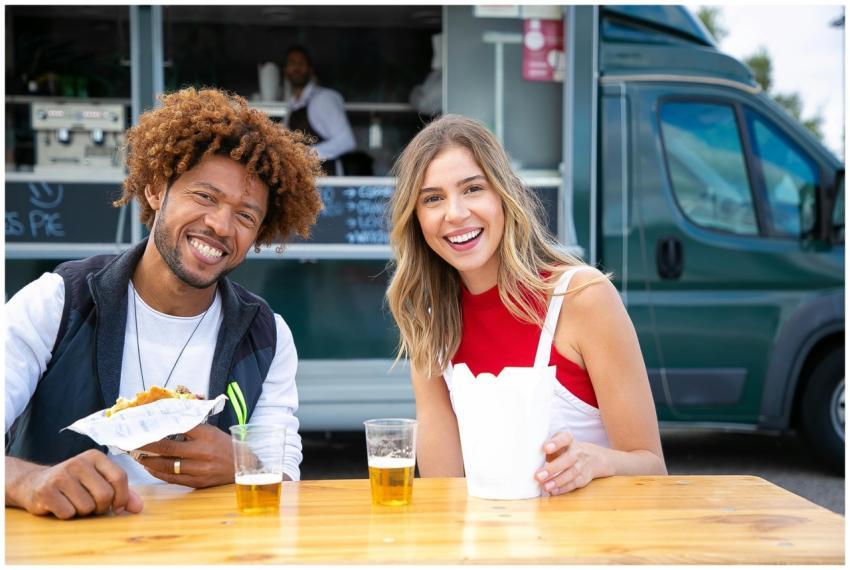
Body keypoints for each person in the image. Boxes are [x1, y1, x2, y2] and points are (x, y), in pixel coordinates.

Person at [5, 87, 323, 519]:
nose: (219, 225)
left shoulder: (266, 334)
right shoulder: (60, 301)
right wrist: (27, 481)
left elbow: (286, 483)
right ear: (157, 190)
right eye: (205, 196)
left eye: (246, 216)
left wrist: (240, 463)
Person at [386, 115, 667, 495]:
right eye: (433, 199)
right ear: (417, 219)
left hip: (593, 547)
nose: (454, 213)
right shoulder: (432, 328)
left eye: (472, 189)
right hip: (492, 551)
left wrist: (599, 461)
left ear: (505, 195)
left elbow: (652, 468)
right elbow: (444, 496)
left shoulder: (582, 297)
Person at [283, 45, 370, 176]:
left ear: (310, 69)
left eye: (301, 63)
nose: (296, 68)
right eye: (292, 63)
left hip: (327, 183)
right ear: (285, 70)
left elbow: (347, 141)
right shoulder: (292, 107)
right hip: (304, 183)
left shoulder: (322, 99)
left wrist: (306, 154)